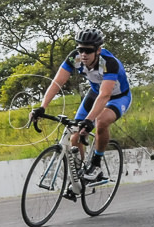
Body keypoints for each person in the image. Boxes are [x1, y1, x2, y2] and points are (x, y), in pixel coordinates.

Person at [31, 28, 131, 192]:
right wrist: (42, 107)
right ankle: (78, 180)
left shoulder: (109, 63)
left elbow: (105, 96)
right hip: (95, 93)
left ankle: (96, 164)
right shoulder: (75, 58)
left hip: (118, 96)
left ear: (98, 50)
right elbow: (57, 83)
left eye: (88, 50)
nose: (83, 54)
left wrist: (89, 120)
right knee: (74, 134)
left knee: (101, 122)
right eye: (80, 49)